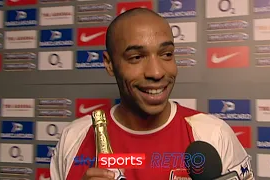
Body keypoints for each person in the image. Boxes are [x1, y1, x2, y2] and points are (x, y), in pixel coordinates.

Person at [50, 8, 254, 180]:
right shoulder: (73, 138)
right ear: (109, 64)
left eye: (166, 55)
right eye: (136, 57)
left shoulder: (214, 135)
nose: (156, 72)